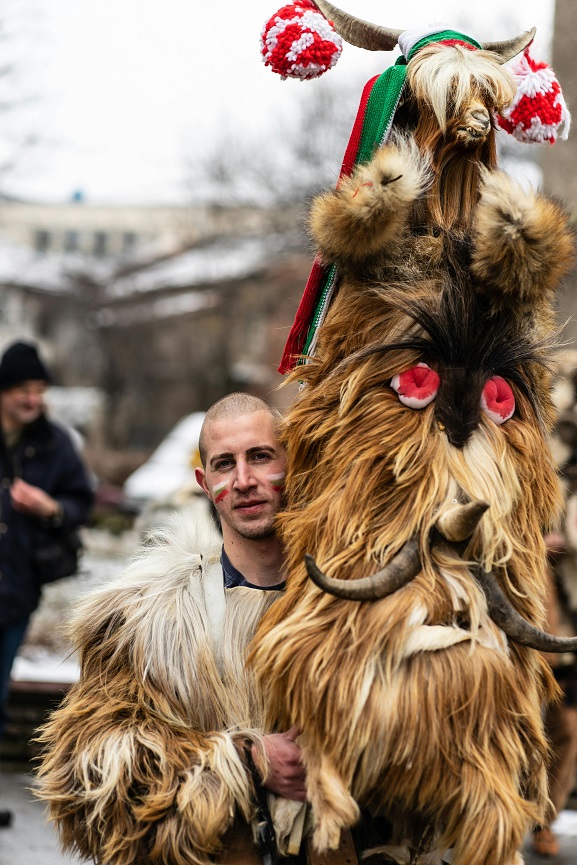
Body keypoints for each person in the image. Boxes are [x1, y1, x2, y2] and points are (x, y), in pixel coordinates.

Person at [35, 392, 309, 865]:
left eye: (261, 457)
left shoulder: (354, 608)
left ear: (294, 463)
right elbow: (92, 772)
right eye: (225, 465)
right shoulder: (148, 620)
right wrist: (243, 758)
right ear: (205, 482)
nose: (244, 481)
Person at [0, 340, 94, 828]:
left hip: (13, 594)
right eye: (22, 388)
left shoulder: (56, 443)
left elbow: (83, 500)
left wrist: (50, 508)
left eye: (39, 389)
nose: (32, 398)